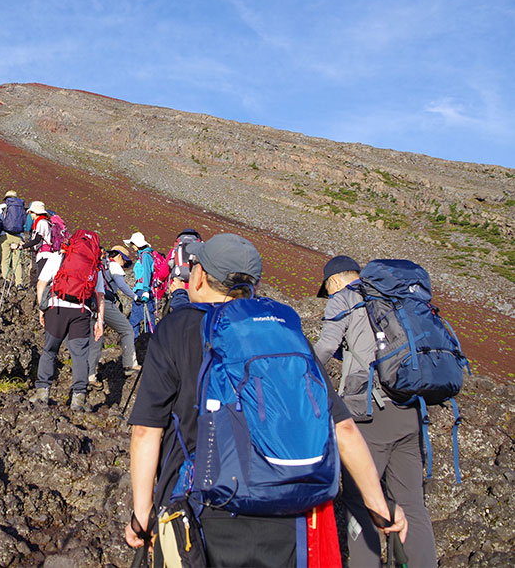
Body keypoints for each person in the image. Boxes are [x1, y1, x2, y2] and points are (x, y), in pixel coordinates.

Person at [125, 234, 407, 567]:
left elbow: (147, 431)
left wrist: (141, 516)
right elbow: (342, 428)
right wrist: (379, 506)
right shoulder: (281, 331)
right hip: (288, 514)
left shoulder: (176, 329)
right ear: (252, 285)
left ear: (198, 275)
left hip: (199, 513)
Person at [314, 255, 437, 567]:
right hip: (410, 408)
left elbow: (326, 348)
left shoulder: (344, 298)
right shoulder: (396, 298)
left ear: (333, 283)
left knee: (359, 503)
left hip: (369, 414)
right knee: (412, 504)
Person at [30, 240, 105, 412]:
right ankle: (78, 399)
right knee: (79, 355)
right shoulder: (94, 263)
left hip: (57, 308)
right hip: (81, 311)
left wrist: (42, 308)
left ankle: (42, 393)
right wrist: (100, 321)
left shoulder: (59, 256)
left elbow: (41, 283)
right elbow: (99, 295)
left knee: (50, 350)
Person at [89, 246, 141, 388]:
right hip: (105, 302)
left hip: (91, 303)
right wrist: (135, 296)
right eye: (124, 261)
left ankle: (90, 376)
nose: (124, 265)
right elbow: (122, 285)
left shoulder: (101, 266)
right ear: (118, 256)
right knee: (127, 330)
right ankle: (130, 363)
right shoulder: (114, 265)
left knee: (96, 339)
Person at [124, 232, 156, 337]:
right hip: (143, 289)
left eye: (132, 244)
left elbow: (147, 272)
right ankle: (148, 341)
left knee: (136, 319)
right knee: (147, 317)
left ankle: (134, 344)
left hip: (143, 290)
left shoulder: (145, 256)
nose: (132, 247)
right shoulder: (144, 255)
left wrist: (146, 290)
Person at [0, 190, 26, 290]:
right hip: (18, 236)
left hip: (5, 236)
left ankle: (6, 280)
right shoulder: (21, 208)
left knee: (5, 259)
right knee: (17, 261)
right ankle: (19, 283)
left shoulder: (1, 207)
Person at [20, 201, 55, 285]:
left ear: (35, 213)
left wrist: (22, 246)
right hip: (49, 253)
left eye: (31, 212)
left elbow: (37, 240)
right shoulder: (46, 222)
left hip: (44, 254)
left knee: (42, 281)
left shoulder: (41, 223)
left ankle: (41, 297)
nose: (30, 215)